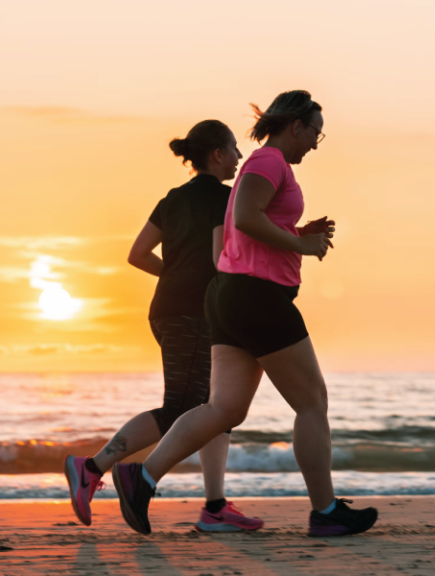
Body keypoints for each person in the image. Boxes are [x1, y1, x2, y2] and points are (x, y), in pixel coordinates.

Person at [112, 90, 379, 537]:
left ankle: (141, 477)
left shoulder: (261, 165)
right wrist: (301, 244)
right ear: (296, 125)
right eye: (316, 131)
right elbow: (245, 216)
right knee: (312, 402)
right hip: (258, 297)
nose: (316, 142)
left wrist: (294, 230)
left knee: (223, 409)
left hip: (231, 295)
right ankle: (325, 511)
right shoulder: (268, 162)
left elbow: (249, 227)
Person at [65, 120, 263, 532]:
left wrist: (172, 277)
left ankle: (215, 507)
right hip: (194, 312)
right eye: (234, 150)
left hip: (169, 308)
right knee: (182, 406)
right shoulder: (225, 199)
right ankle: (92, 467)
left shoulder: (171, 199)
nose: (240, 158)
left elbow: (137, 254)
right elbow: (216, 259)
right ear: (217, 155)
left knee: (216, 407)